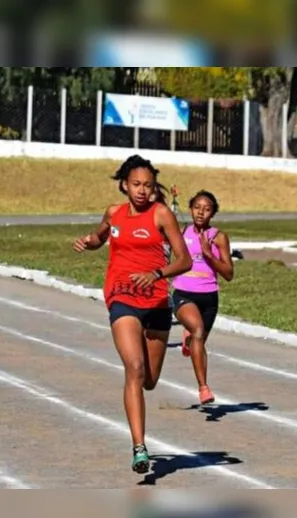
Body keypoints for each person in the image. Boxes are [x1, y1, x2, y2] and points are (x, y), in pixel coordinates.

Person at [72, 155, 192, 474]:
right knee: (134, 368)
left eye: (148, 186)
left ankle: (140, 420)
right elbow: (100, 236)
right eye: (136, 184)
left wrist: (157, 274)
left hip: (155, 301)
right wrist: (90, 241)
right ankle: (139, 447)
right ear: (125, 185)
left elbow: (185, 261)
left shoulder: (161, 214)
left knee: (149, 380)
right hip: (121, 295)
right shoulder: (114, 213)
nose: (142, 191)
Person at [170, 190, 234, 406]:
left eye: (206, 209)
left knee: (198, 342)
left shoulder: (219, 237)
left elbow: (229, 274)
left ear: (212, 213)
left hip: (209, 297)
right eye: (197, 207)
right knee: (197, 331)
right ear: (191, 209)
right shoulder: (182, 232)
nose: (200, 213)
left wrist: (209, 255)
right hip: (183, 293)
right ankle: (203, 388)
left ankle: (188, 340)